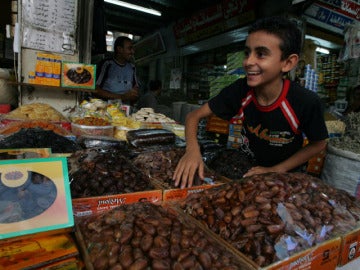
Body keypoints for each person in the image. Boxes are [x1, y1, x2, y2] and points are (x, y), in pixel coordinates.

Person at [173, 16, 329, 188]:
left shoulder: (305, 101)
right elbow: (193, 116)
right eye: (247, 53)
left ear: (288, 63)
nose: (248, 62)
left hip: (286, 179)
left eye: (261, 54)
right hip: (249, 171)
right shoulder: (240, 90)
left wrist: (277, 169)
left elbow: (318, 143)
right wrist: (192, 151)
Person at [95, 36, 139, 103]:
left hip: (125, 109)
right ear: (119, 49)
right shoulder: (107, 64)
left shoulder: (132, 67)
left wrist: (134, 94)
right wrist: (121, 97)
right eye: (129, 48)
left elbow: (135, 89)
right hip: (106, 109)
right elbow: (96, 89)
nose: (132, 52)